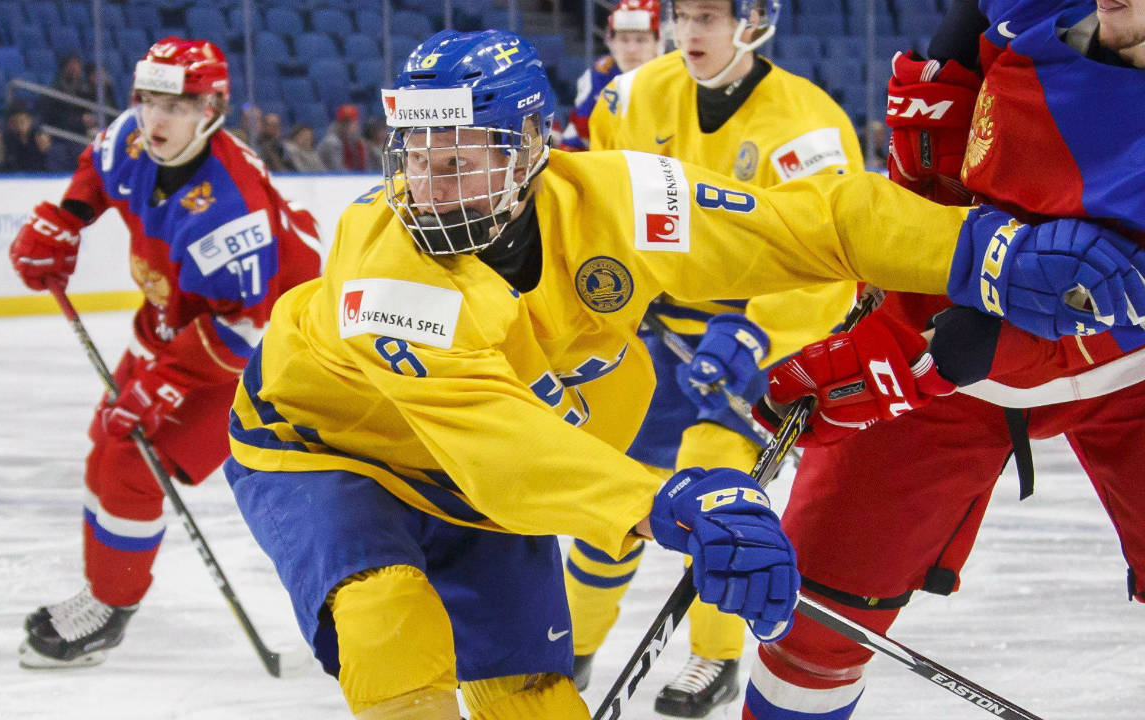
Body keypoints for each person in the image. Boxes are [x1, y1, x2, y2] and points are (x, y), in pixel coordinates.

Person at [222, 28, 1145, 720]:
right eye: (416, 159)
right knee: (391, 619)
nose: (428, 186)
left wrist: (975, 249)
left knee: (532, 691)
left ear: (532, 148)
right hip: (322, 447)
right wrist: (667, 500)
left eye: (460, 160)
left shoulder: (616, 200)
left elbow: (806, 226)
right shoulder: (383, 274)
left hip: (483, 460)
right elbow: (496, 441)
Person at [731, 2, 1145, 718]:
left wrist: (915, 363)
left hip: (1128, 375)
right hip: (959, 318)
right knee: (813, 629)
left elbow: (1088, 287)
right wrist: (908, 258)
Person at [566, 1, 864, 713]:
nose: (690, 33)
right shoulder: (632, 95)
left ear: (751, 21)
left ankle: (714, 655)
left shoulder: (807, 123)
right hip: (650, 327)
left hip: (754, 341)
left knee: (717, 483)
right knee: (620, 489)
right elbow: (593, 201)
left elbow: (832, 259)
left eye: (708, 17)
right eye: (683, 15)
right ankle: (570, 642)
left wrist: (756, 334)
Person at [8, 37, 323, 670]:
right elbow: (96, 172)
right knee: (109, 444)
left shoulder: (230, 207)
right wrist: (63, 218)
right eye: (149, 100)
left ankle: (109, 610)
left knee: (132, 464)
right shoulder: (135, 135)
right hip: (176, 323)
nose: (156, 120)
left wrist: (163, 388)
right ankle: (103, 593)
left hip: (268, 349)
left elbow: (243, 329)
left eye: (176, 106)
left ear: (212, 109)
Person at [558, 0, 662, 151]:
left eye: (641, 40)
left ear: (657, 43)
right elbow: (576, 140)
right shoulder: (598, 75)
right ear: (610, 41)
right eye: (624, 39)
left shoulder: (676, 76)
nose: (631, 49)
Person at [317, 102, 367, 171]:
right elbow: (338, 170)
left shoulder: (356, 141)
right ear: (338, 123)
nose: (347, 126)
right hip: (327, 179)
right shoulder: (332, 142)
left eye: (351, 122)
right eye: (344, 122)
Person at [3, 100, 46, 172]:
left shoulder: (39, 138)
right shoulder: (5, 141)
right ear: (9, 124)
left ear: (30, 121)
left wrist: (45, 152)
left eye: (22, 122)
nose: (19, 127)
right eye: (14, 123)